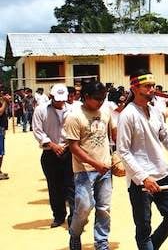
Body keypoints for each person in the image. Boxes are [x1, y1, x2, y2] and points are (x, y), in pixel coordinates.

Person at [117, 70, 168, 250]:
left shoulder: (156, 111)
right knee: (143, 228)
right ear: (135, 88)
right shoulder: (127, 115)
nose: (152, 90)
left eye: (153, 86)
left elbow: (167, 139)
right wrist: (143, 177)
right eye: (147, 86)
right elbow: (123, 151)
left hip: (163, 174)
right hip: (141, 183)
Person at [65, 82, 114, 250]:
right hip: (84, 171)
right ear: (86, 97)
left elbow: (111, 135)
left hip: (105, 169)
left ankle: (101, 243)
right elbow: (73, 147)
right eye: (97, 99)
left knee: (104, 208)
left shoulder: (106, 111)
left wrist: (114, 157)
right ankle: (75, 233)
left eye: (103, 98)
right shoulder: (74, 116)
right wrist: (95, 163)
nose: (101, 102)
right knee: (84, 207)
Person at [32, 84, 75, 228]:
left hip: (69, 151)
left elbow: (76, 130)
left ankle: (74, 216)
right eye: (57, 100)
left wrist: (69, 144)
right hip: (50, 153)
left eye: (63, 99)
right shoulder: (41, 110)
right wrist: (51, 145)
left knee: (72, 186)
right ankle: (58, 215)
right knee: (54, 186)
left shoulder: (72, 110)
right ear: (51, 97)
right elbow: (38, 131)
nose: (61, 102)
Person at [0, 91, 9, 180]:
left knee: (1, 152)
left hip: (2, 128)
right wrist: (5, 102)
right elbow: (0, 112)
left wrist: (6, 101)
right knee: (0, 152)